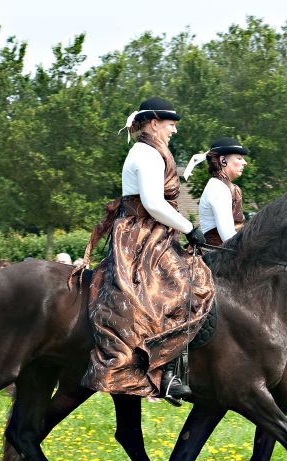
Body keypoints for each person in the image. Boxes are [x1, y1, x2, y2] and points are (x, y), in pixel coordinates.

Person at [78, 97, 214, 406]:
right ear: (154, 123)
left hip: (151, 231)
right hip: (141, 235)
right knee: (178, 287)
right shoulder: (147, 155)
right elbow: (153, 203)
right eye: (171, 125)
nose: (174, 132)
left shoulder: (148, 151)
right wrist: (189, 228)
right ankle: (162, 370)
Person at [187, 137, 248, 245]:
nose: (245, 162)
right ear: (223, 160)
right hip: (218, 256)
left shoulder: (223, 186)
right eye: (239, 158)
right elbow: (228, 237)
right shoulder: (218, 188)